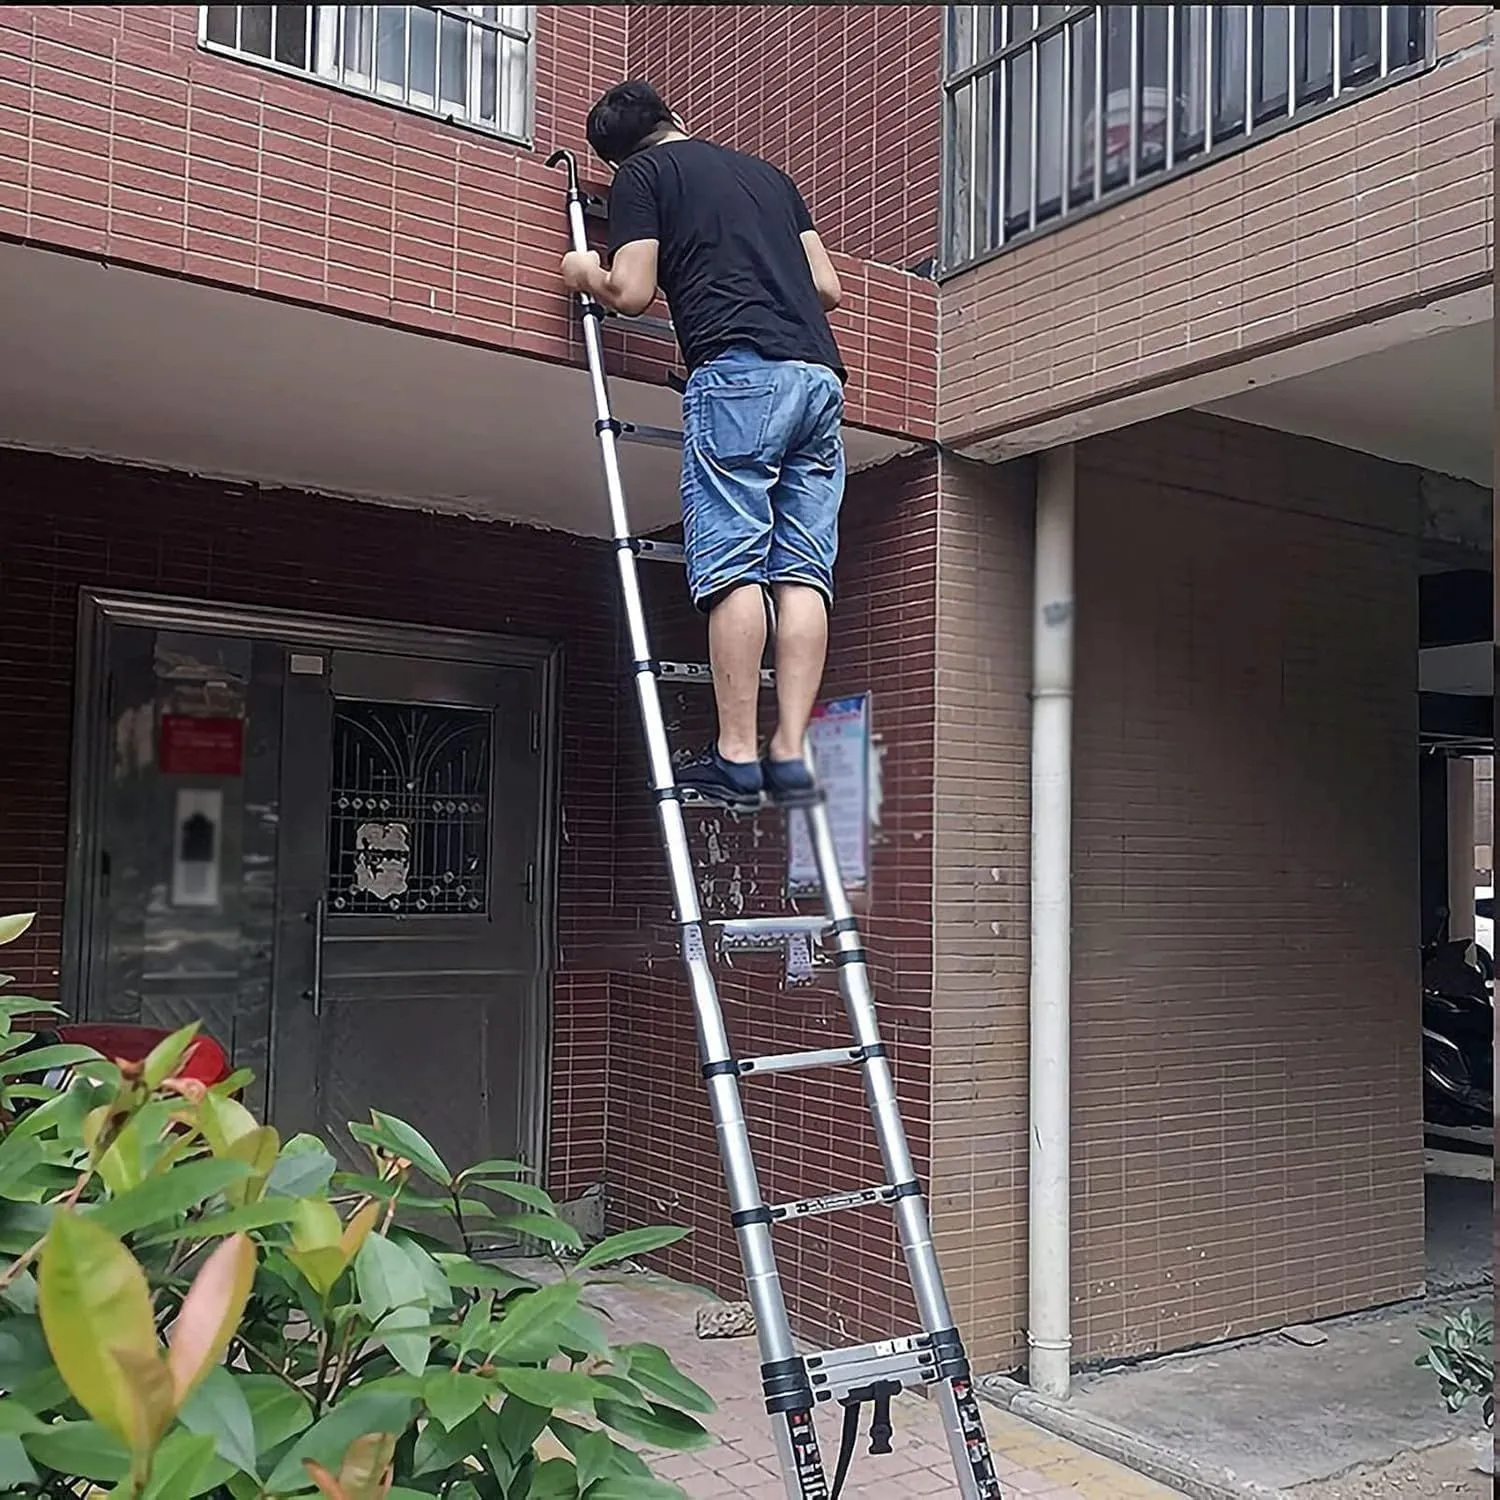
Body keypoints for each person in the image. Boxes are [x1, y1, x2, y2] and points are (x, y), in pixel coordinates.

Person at [561, 80, 846, 815]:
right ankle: (790, 752)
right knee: (803, 573)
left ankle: (738, 756)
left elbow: (631, 292)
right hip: (818, 379)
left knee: (734, 565)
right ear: (675, 117)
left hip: (738, 374)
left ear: (616, 156)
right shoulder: (770, 177)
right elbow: (827, 287)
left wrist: (582, 270)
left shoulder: (643, 176)